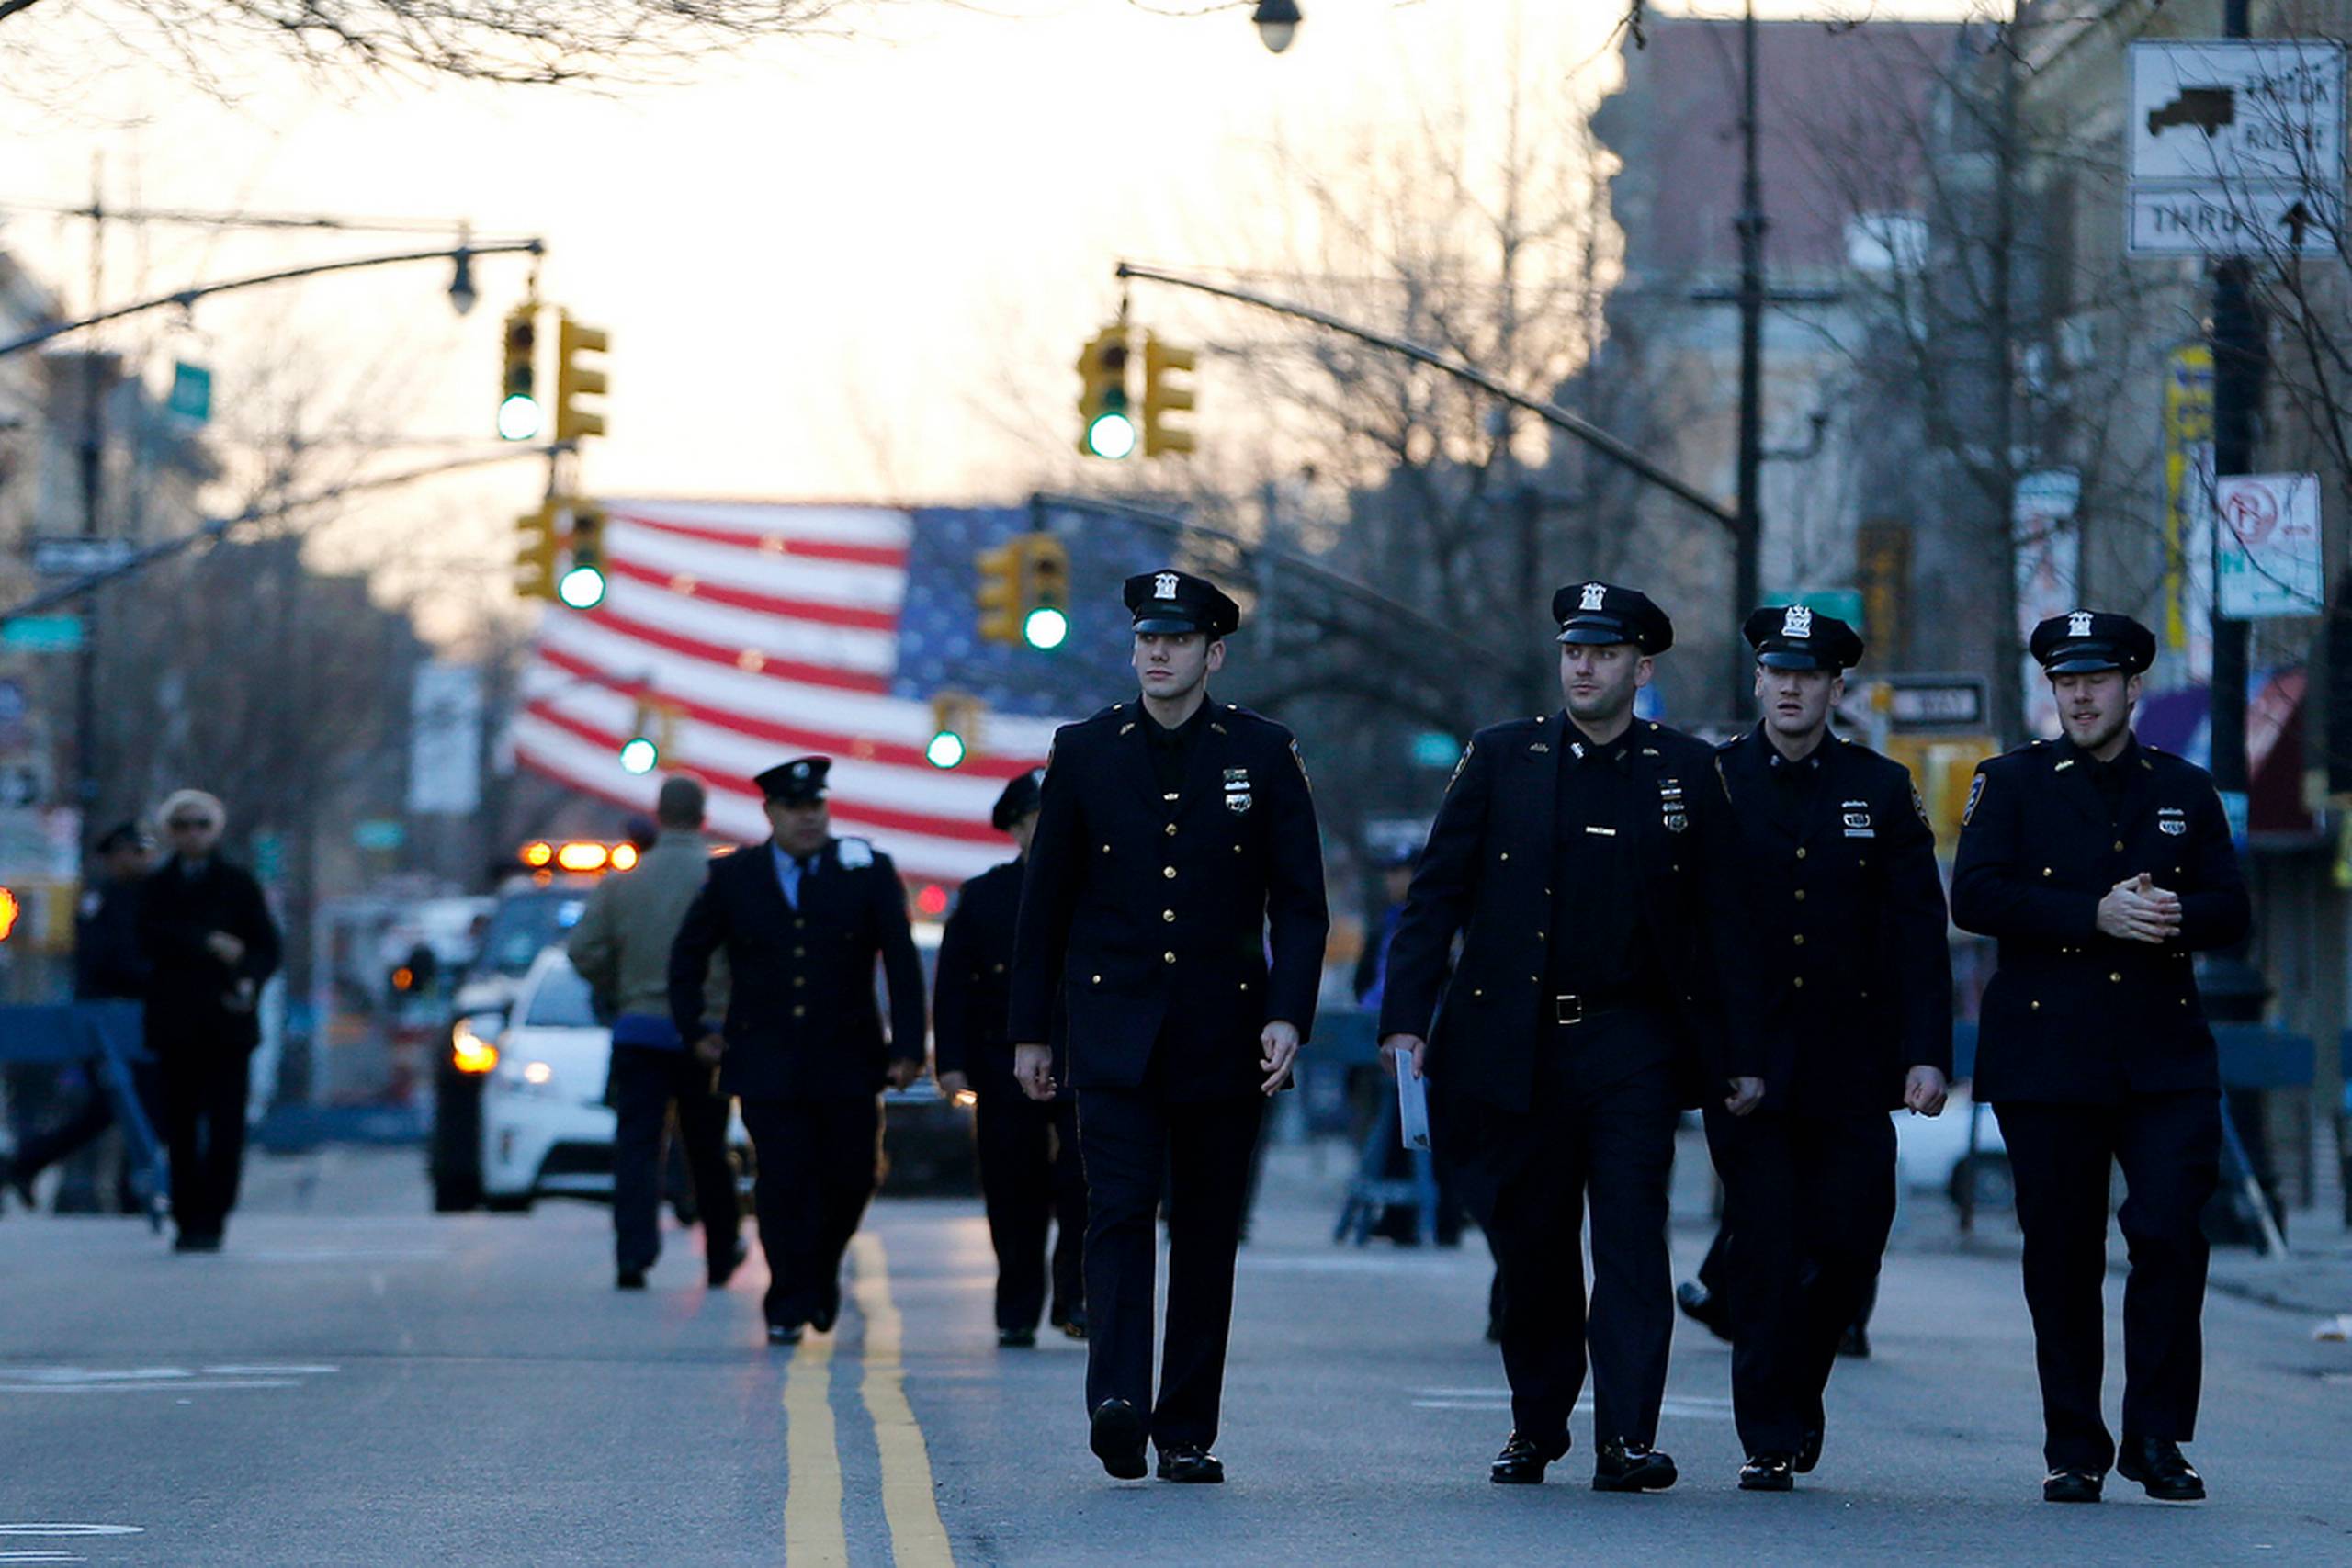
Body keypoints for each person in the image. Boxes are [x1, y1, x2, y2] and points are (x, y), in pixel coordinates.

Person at [1378, 581, 1757, 1492]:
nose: (1582, 665)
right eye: (1572, 651)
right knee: (1534, 1243)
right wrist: (1403, 1021)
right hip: (1515, 1043)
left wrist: (1740, 1055)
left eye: (1603, 653)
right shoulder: (1502, 759)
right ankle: (1536, 1422)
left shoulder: (1685, 769)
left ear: (1640, 667)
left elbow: (1725, 924)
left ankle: (1627, 1436)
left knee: (1630, 1239)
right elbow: (1435, 898)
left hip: (1633, 1044)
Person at [1010, 569, 1329, 1486]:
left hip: (1223, 1030)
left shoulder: (1263, 753)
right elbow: (1048, 903)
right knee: (1115, 1215)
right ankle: (1117, 1400)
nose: (1157, 653)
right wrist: (1032, 1033)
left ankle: (1185, 1426)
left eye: (1177, 640)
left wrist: (1286, 1016)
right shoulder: (1085, 749)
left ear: (1212, 652)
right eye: (1147, 638)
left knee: (1203, 1231)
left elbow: (1300, 904)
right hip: (1111, 1028)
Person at [1951, 610, 2248, 1506]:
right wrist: (2092, 915)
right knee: (2062, 1253)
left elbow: (2231, 911)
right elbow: (1974, 896)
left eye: (2095, 680)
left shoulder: (2183, 788)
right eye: (2064, 682)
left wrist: (2172, 918)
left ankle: (2156, 1437)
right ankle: (2073, 1443)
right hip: (2048, 1058)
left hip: (2163, 1057)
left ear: (2132, 689)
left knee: (2166, 1234)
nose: (2078, 696)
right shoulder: (2010, 784)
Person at [1701, 604, 1952, 1491]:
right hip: (1748, 1066)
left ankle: (1797, 1381)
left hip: (1853, 1063)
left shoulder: (1880, 788)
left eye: (1810, 673)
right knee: (1764, 1248)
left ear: (1836, 687)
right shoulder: (1714, 778)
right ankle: (1768, 1432)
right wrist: (1707, 1052)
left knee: (1851, 1241)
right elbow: (1687, 928)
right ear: (1760, 681)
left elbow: (1920, 929)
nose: (1793, 686)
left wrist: (1928, 1050)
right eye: (1779, 671)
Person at [669, 756, 925, 1346]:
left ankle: (820, 1267)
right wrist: (695, 1029)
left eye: (816, 807)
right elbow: (687, 956)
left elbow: (901, 961)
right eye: (795, 809)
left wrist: (908, 1046)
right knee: (782, 1180)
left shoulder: (864, 870)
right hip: (767, 1060)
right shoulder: (736, 876)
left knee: (853, 1175)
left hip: (849, 1059)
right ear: (770, 813)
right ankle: (787, 1298)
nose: (808, 819)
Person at [567, 775, 743, 1292]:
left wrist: (621, 987)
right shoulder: (719, 880)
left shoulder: (625, 883)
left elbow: (583, 951)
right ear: (704, 818)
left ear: (660, 816)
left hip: (639, 1031)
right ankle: (720, 1249)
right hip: (705, 1035)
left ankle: (634, 1252)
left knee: (637, 1147)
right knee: (708, 1148)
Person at [934, 769, 1088, 1348]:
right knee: (1011, 1186)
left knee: (1087, 1181)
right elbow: (953, 986)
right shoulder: (986, 896)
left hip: (1081, 1055)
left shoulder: (1098, 889)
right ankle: (1016, 1306)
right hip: (1003, 1062)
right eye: (1036, 821)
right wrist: (950, 1062)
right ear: (1017, 828)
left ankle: (1076, 1295)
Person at [136, 790, 281, 1252]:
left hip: (227, 1025)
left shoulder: (238, 884)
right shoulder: (158, 889)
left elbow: (267, 949)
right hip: (176, 1025)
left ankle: (214, 1216)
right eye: (182, 825)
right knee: (179, 1125)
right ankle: (185, 1215)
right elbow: (147, 941)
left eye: (200, 824)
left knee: (225, 1127)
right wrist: (206, 943)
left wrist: (245, 974)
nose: (192, 834)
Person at [0, 822, 157, 1213]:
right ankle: (128, 1190)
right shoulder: (100, 900)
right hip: (105, 1020)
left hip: (138, 1020)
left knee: (132, 1105)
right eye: (133, 852)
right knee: (119, 1103)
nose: (141, 860)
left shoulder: (150, 897)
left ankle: (30, 1163)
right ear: (114, 856)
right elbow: (105, 959)